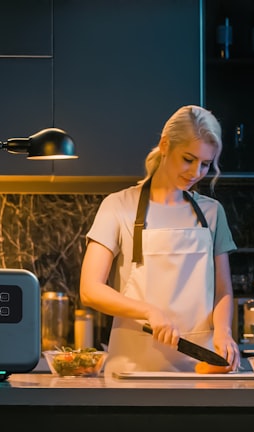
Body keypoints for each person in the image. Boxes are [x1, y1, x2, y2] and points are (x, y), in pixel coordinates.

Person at [80, 105, 239, 374]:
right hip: (132, 367)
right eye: (188, 159)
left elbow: (223, 291)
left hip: (200, 366)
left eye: (205, 164)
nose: (196, 172)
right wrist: (150, 312)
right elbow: (90, 289)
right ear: (165, 145)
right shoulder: (118, 206)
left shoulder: (213, 212)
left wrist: (223, 331)